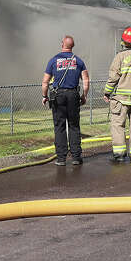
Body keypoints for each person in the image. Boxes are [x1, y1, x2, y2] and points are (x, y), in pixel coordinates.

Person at [41, 35, 89, 166]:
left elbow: (45, 82)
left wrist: (44, 96)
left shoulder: (53, 61)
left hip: (58, 96)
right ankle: (76, 157)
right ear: (72, 46)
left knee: (60, 126)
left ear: (62, 44)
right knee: (74, 126)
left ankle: (61, 158)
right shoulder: (79, 61)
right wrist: (84, 95)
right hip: (73, 94)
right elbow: (86, 80)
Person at [103, 26, 131, 163]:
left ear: (124, 42)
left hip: (122, 100)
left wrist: (107, 92)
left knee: (118, 126)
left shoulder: (120, 57)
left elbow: (113, 78)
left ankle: (119, 154)